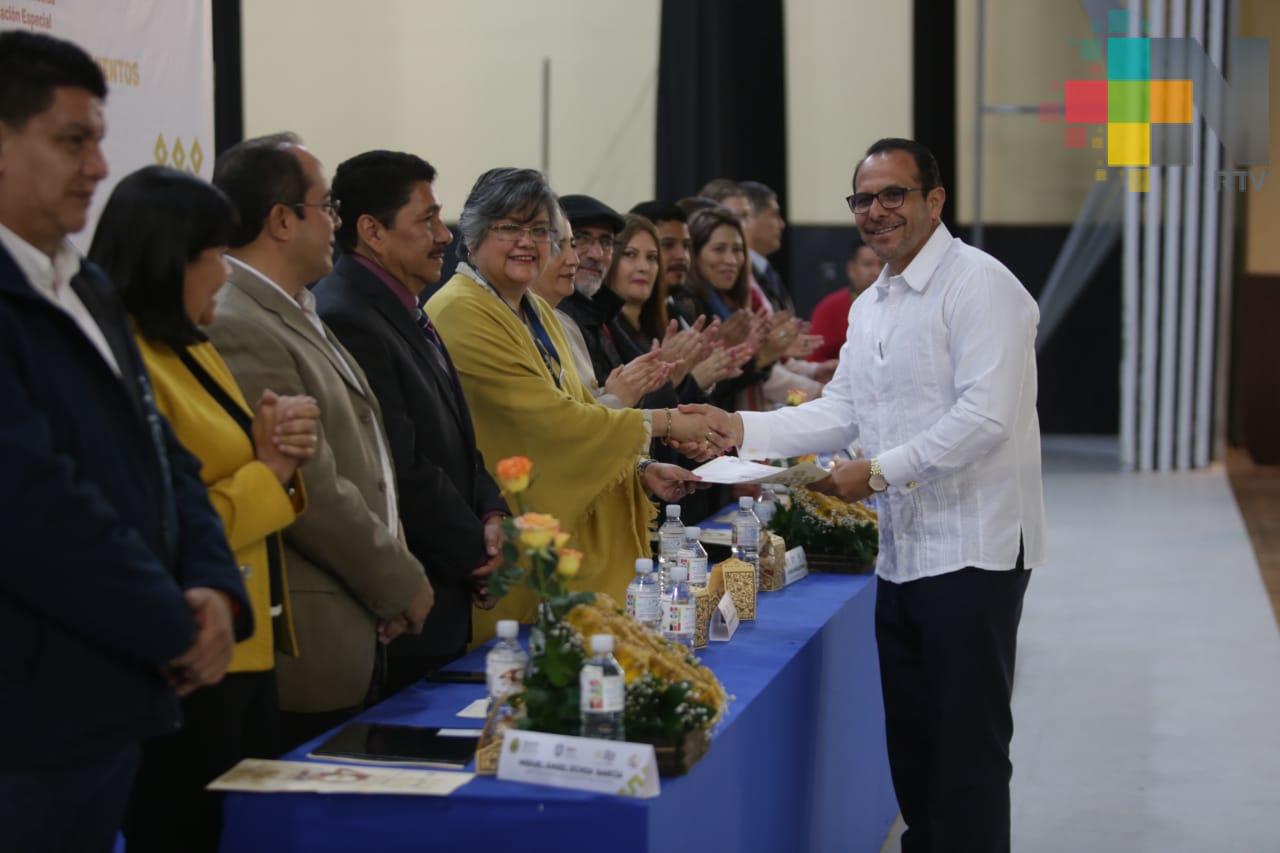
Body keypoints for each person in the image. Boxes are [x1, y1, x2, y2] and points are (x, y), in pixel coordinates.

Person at [686, 138, 1045, 853]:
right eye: (863, 199)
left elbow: (985, 418)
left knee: (965, 755)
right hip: (903, 553)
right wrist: (740, 427)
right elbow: (842, 408)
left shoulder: (980, 284)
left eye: (893, 195)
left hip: (972, 551)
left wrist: (876, 473)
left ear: (934, 200)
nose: (876, 211)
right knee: (913, 745)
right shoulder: (873, 302)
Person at [0, 31, 249, 851]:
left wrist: (213, 589)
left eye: (100, 140)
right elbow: (33, 505)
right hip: (28, 720)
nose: (99, 167)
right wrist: (173, 623)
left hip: (114, 699)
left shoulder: (89, 287)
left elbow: (163, 455)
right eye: (73, 141)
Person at [89, 165, 319, 852]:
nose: (225, 273)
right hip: (192, 649)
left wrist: (277, 451)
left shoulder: (191, 344)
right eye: (216, 254)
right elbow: (166, 519)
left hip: (248, 646)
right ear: (171, 261)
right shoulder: (126, 361)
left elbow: (239, 469)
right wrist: (270, 470)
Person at [207, 133, 434, 750]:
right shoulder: (237, 320)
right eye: (327, 206)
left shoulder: (296, 309)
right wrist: (397, 581)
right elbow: (310, 486)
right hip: (310, 631)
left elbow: (370, 462)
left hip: (356, 616)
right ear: (282, 220)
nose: (337, 221)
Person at [424, 167, 719, 638]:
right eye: (510, 227)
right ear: (473, 237)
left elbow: (589, 412)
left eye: (540, 230)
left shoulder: (537, 309)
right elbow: (554, 427)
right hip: (513, 541)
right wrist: (665, 421)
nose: (529, 242)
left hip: (558, 544)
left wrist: (641, 470)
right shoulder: (460, 310)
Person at [312, 151, 509, 694]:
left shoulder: (406, 305)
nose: (444, 236)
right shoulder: (347, 315)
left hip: (445, 585)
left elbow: (457, 437)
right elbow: (399, 463)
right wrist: (478, 553)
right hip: (408, 597)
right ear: (372, 231)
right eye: (426, 220)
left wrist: (492, 511)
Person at [808, 238, 882, 363]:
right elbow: (813, 358)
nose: (876, 272)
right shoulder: (830, 308)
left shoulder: (896, 304)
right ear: (851, 269)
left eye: (881, 265)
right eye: (867, 264)